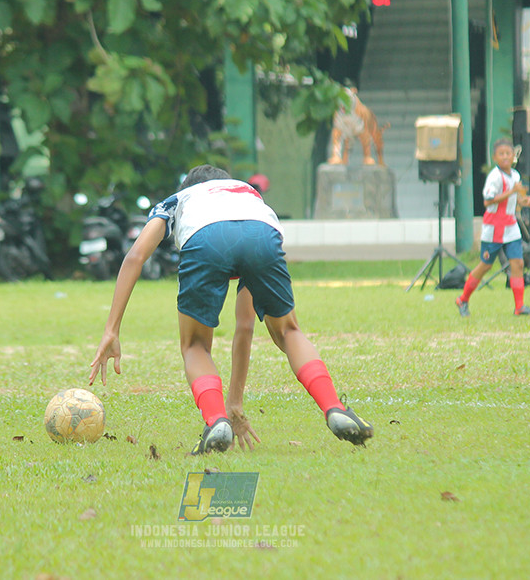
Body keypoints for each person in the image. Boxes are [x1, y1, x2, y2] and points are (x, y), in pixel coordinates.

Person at [88, 164, 373, 454]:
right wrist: (235, 401)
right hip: (261, 233)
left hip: (204, 237)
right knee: (287, 331)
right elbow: (245, 325)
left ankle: (215, 420)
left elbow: (136, 256)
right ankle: (334, 407)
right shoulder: (248, 196)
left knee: (195, 345)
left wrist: (112, 329)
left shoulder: (179, 200)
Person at [454, 138, 530, 317]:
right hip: (494, 227)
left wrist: (524, 201)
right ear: (495, 157)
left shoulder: (515, 176)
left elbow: (515, 200)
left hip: (510, 226)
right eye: (501, 154)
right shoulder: (494, 177)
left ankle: (519, 306)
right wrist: (511, 192)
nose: (505, 157)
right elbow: (488, 201)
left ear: (513, 156)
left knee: (517, 263)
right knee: (485, 265)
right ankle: (463, 299)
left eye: (508, 154)